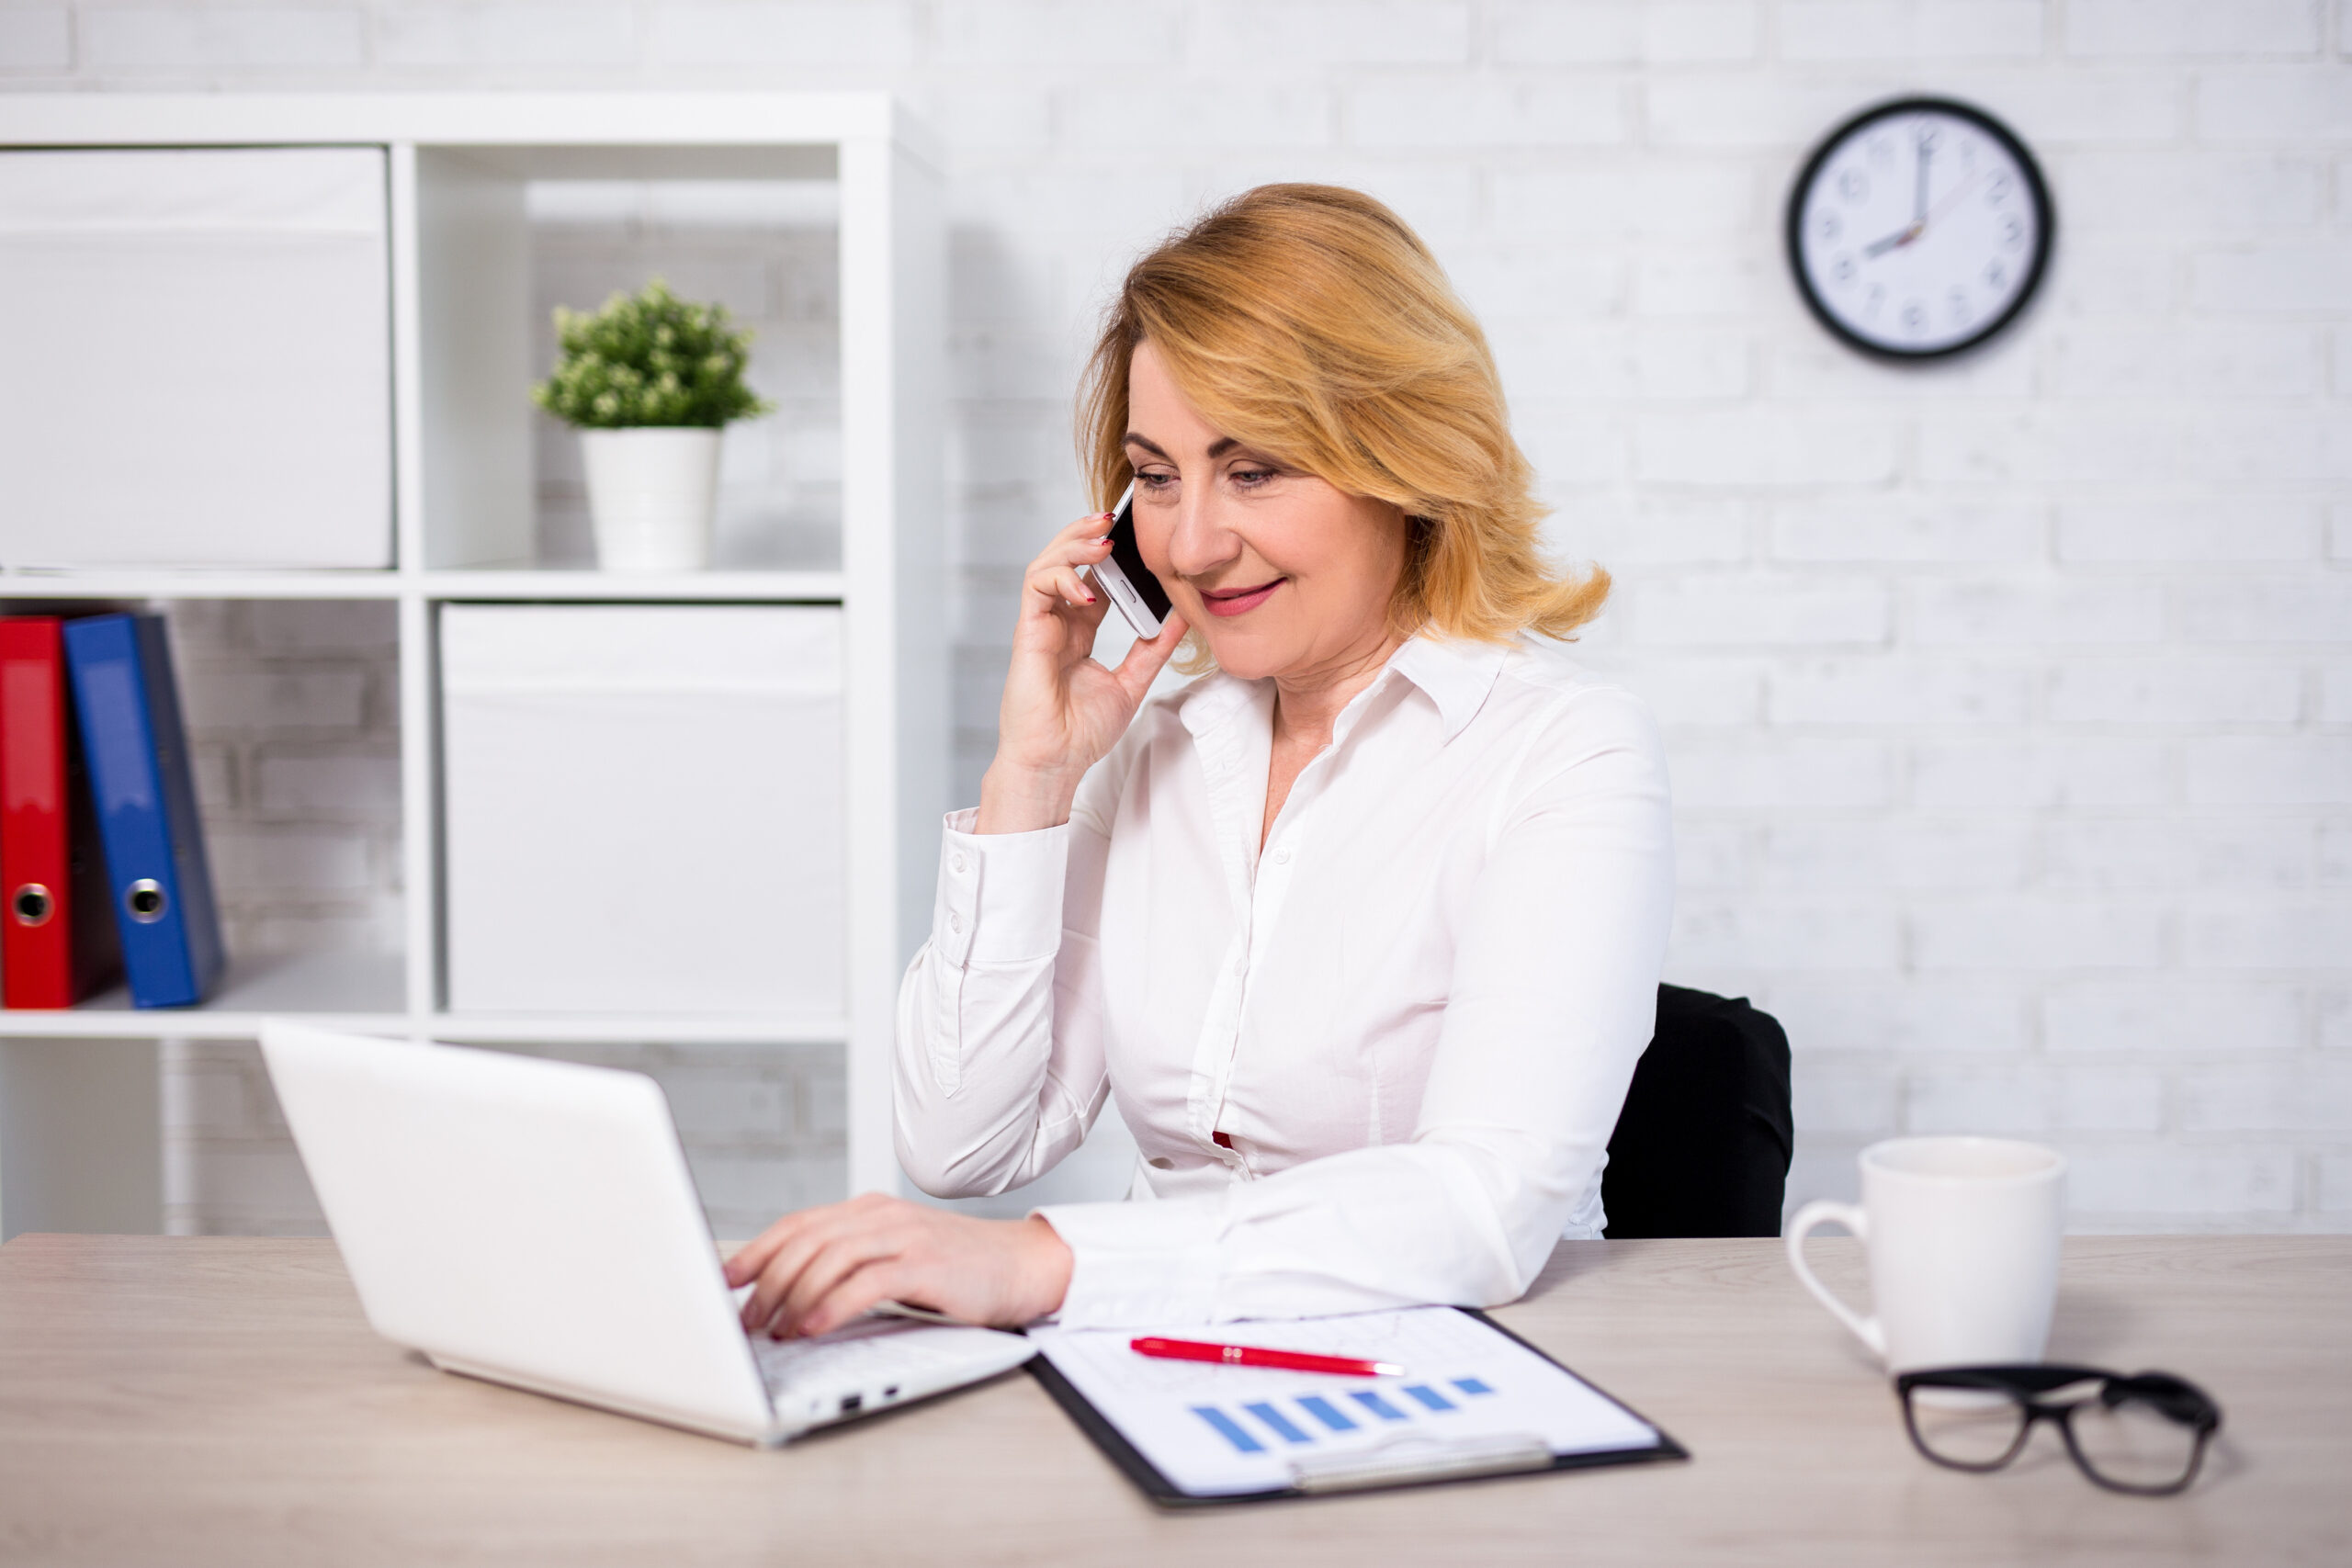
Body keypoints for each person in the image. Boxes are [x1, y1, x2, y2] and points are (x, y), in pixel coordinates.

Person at [726, 185, 1673, 1338]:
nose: (1190, 544)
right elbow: (961, 1143)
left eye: (1256, 469)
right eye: (1158, 476)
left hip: (1460, 1375)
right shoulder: (1149, 758)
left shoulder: (1559, 752)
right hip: (1152, 1360)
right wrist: (1030, 778)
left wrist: (1047, 1267)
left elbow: (1483, 1206)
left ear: (1404, 460)